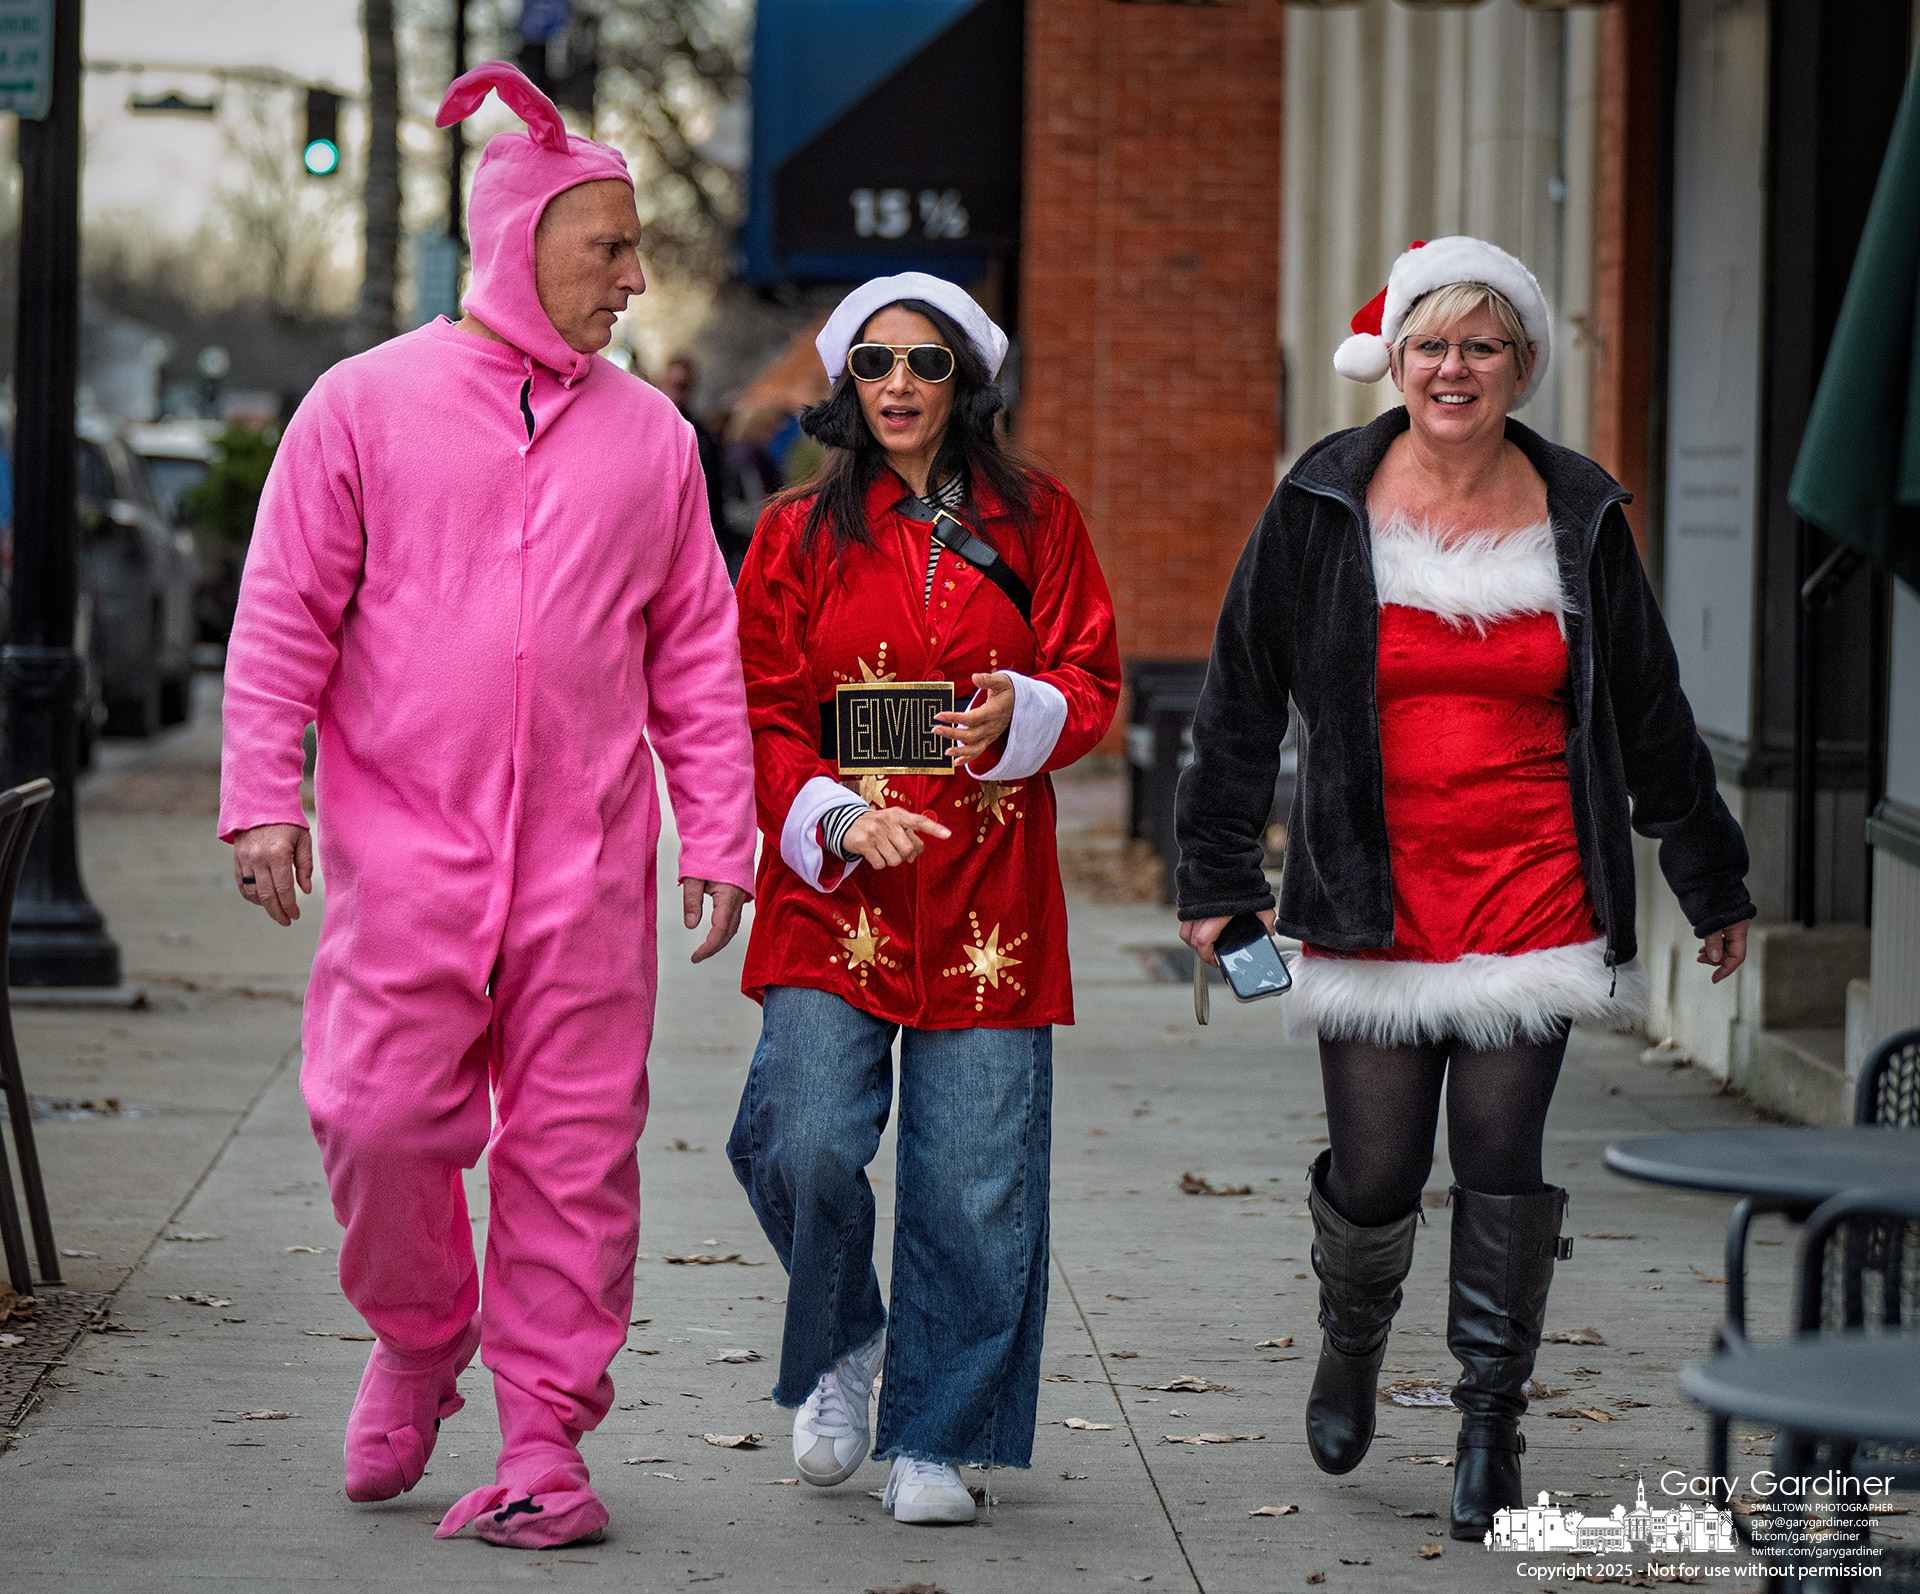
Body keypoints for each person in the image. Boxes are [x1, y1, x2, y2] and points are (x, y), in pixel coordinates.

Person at [217, 63, 756, 1550]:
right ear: (521, 242)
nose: (633, 279)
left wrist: (719, 829)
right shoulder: (360, 407)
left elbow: (694, 652)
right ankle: (418, 1333)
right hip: (406, 856)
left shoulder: (653, 439)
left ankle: (542, 1440)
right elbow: (282, 612)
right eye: (609, 249)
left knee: (574, 1157)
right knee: (375, 1114)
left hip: (588, 866)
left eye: (637, 251)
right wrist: (264, 793)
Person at [1173, 237, 1755, 1541]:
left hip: (1534, 882)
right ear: (1396, 361)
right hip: (1370, 886)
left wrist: (1708, 873)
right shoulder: (1322, 501)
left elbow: (1650, 706)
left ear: (1521, 365)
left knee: (1501, 1160)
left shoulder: (1580, 511)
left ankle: (1493, 1417)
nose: (1455, 368)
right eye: (1432, 345)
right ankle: (1352, 1337)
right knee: (1379, 1171)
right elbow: (1240, 693)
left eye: (1482, 346)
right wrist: (1215, 874)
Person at [727, 273, 1120, 1524]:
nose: (900, 384)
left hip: (989, 890)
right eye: (877, 362)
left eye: (928, 362)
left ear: (969, 382)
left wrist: (1028, 711)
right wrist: (836, 816)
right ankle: (847, 1337)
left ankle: (936, 1436)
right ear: (847, 381)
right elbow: (760, 712)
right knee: (801, 1138)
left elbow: (1093, 678)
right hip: (834, 884)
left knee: (973, 1182)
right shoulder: (795, 533)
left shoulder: (1041, 520)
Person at [658, 353, 740, 577]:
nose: (677, 393)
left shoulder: (699, 434)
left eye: (684, 386)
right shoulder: (649, 430)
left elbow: (713, 490)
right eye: (674, 385)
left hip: (701, 537)